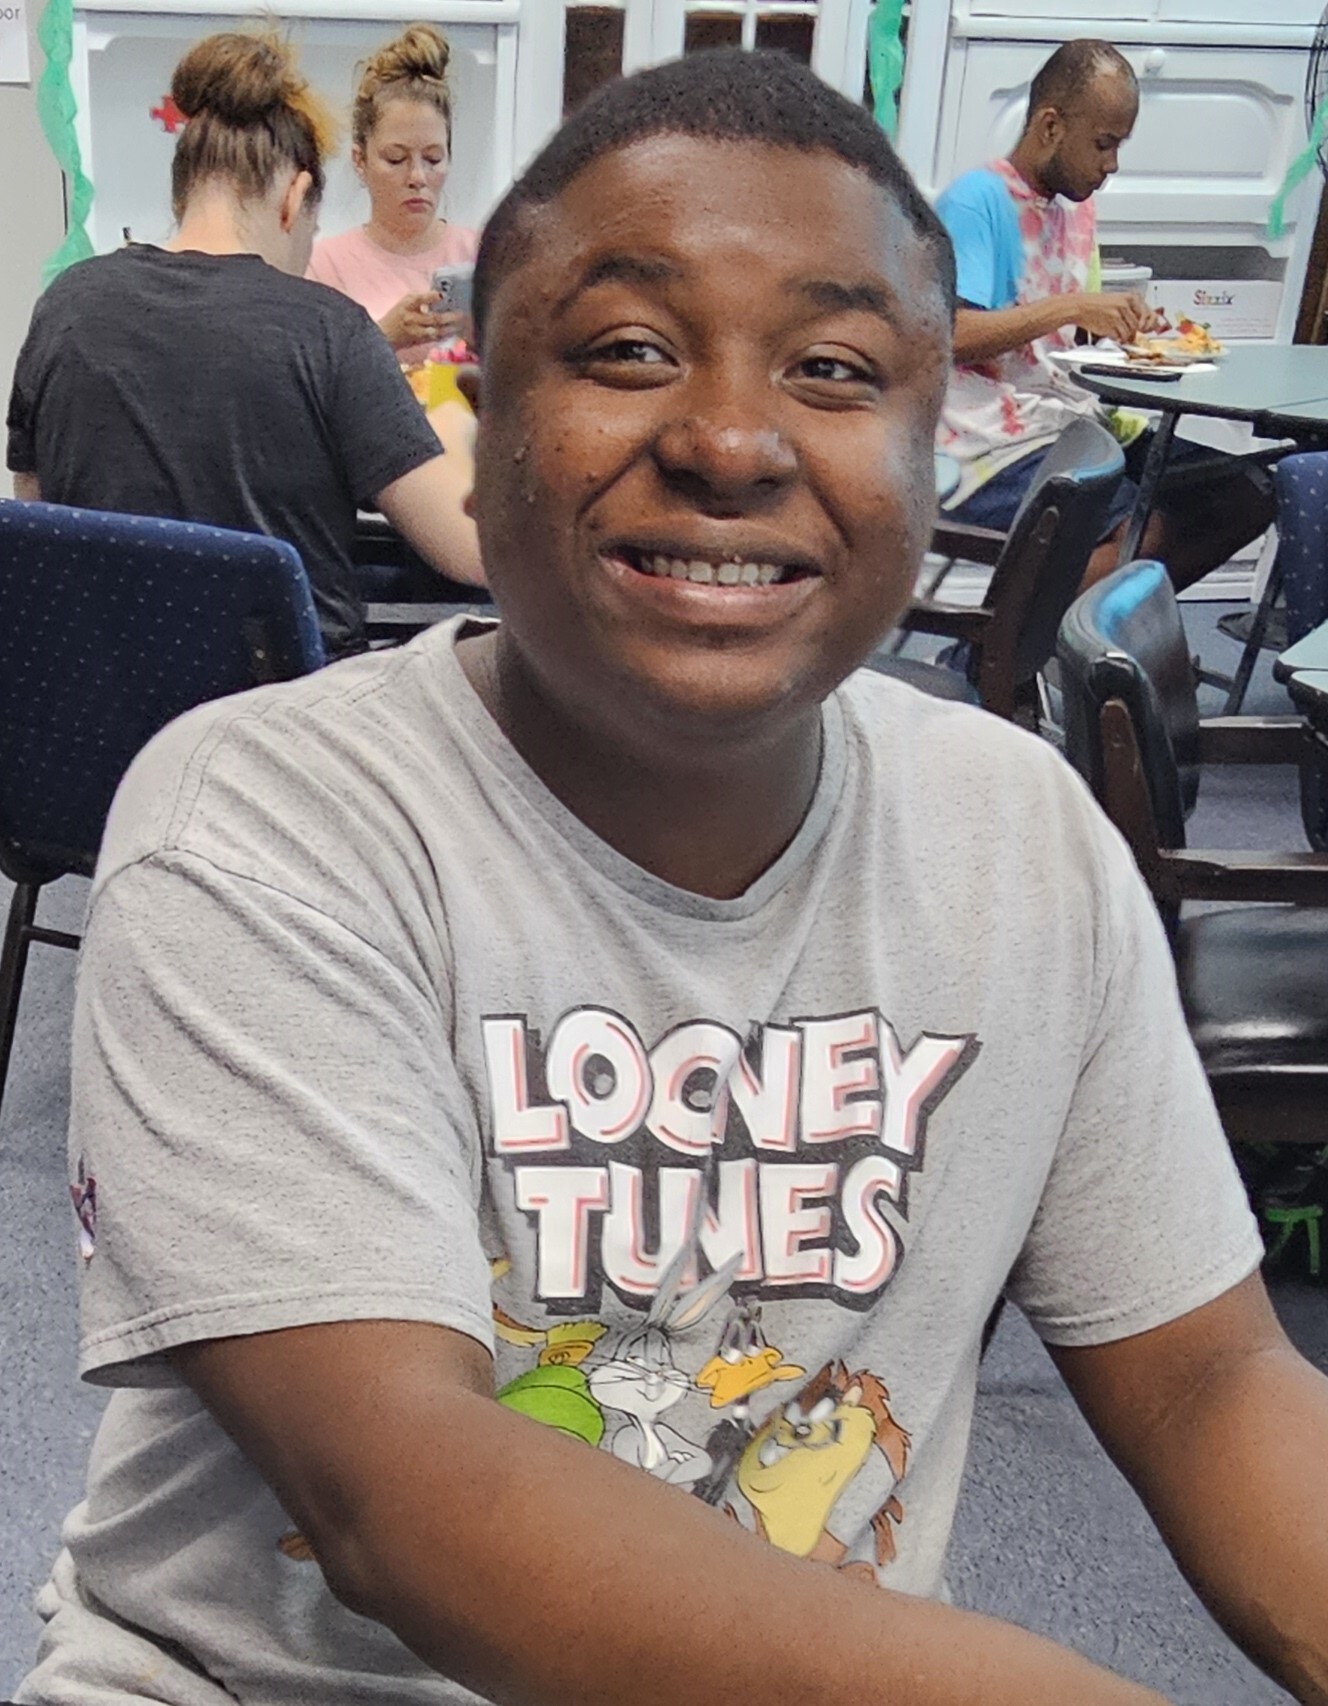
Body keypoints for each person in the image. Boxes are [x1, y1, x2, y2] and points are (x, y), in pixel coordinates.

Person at [16, 48, 1328, 1706]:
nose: (728, 437)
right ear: (480, 423)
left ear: (935, 451)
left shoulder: (1022, 839)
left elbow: (1207, 1372)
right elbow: (400, 1488)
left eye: (834, 370)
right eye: (625, 352)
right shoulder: (269, 824)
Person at [5, 31, 483, 661]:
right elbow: (471, 553)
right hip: (283, 726)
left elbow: (39, 517)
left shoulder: (67, 304)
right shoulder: (332, 331)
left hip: (100, 718)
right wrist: (452, 419)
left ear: (184, 188)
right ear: (293, 200)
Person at [936, 38, 1275, 590]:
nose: (1112, 164)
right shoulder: (978, 200)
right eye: (1103, 143)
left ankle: (1098, 629)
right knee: (1144, 531)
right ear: (1050, 126)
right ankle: (994, 659)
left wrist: (1135, 330)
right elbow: (944, 334)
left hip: (1064, 417)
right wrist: (1069, 306)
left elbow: (1069, 340)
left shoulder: (1075, 208)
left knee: (1246, 494)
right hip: (981, 442)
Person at [307, 24, 479, 362]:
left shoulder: (481, 254)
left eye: (433, 158)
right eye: (396, 159)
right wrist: (384, 336)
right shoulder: (325, 267)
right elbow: (311, 379)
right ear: (360, 159)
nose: (417, 177)